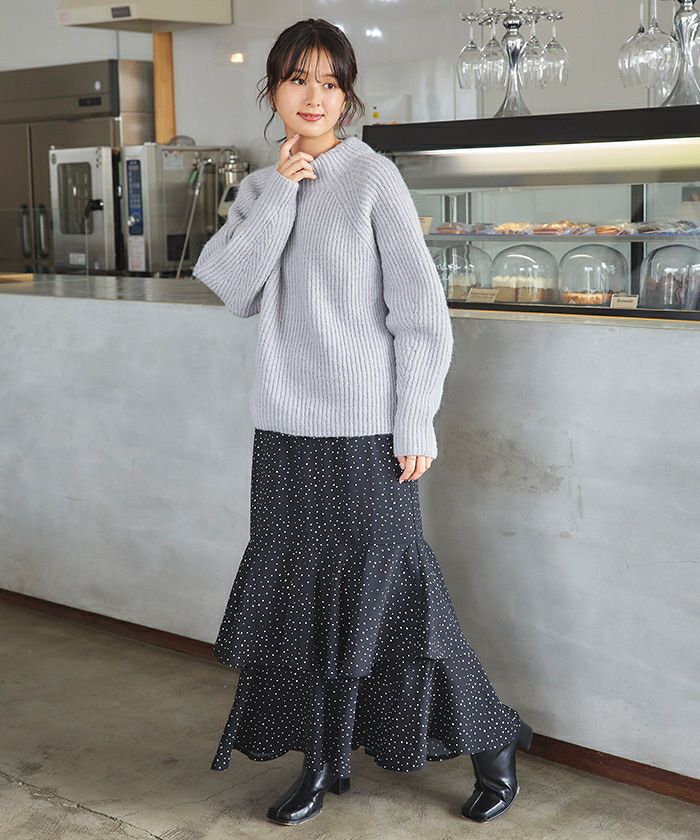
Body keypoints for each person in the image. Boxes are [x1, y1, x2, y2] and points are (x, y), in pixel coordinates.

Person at [193, 17, 532, 828]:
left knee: (403, 602)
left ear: (348, 94)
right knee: (303, 607)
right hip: (284, 435)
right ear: (273, 89)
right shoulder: (260, 187)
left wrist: (415, 422)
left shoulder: (374, 177)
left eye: (330, 82)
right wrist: (284, 190)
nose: (314, 96)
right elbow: (232, 287)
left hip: (367, 435)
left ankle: (492, 740)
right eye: (297, 79)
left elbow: (422, 315)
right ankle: (321, 759)